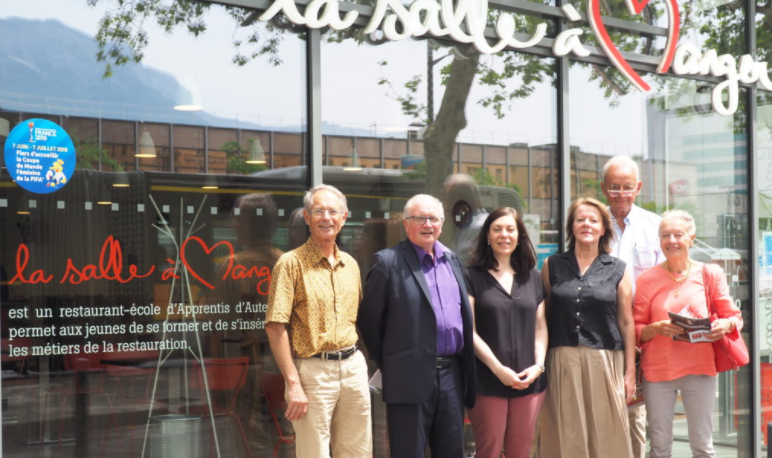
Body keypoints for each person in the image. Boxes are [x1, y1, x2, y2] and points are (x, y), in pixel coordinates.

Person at [358, 194, 476, 458]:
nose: (427, 224)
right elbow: (369, 322)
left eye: (433, 218)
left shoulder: (453, 260)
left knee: (452, 452)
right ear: (406, 224)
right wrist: (394, 361)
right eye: (419, 218)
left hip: (452, 377)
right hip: (407, 377)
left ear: (442, 224)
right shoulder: (387, 262)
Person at [265, 184, 372, 458]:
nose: (327, 217)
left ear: (344, 217)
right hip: (312, 372)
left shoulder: (351, 264)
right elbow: (276, 326)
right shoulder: (290, 263)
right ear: (307, 217)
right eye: (319, 211)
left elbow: (358, 320)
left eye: (333, 211)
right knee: (314, 453)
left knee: (357, 452)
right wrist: (293, 383)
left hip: (352, 368)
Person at [633, 210, 742, 458]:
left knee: (703, 447)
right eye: (665, 235)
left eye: (678, 235)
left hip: (700, 369)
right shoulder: (647, 279)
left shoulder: (710, 274)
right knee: (659, 447)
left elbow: (735, 317)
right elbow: (636, 330)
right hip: (658, 372)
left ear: (691, 238)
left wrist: (724, 326)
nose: (671, 240)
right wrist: (654, 328)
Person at [539, 197, 636, 458]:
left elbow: (626, 322)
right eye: (580, 219)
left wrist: (629, 373)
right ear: (571, 227)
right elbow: (543, 319)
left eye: (593, 220)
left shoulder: (619, 269)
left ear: (603, 228)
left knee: (606, 433)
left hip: (605, 360)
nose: (587, 225)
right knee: (565, 431)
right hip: (562, 360)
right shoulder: (552, 265)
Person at [463, 207, 547, 458]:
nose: (504, 235)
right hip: (487, 381)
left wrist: (539, 366)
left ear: (520, 235)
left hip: (529, 380)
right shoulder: (471, 276)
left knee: (520, 451)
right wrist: (498, 369)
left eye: (511, 229)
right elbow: (470, 330)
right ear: (487, 236)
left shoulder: (532, 276)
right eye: (497, 229)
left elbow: (541, 327)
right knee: (488, 449)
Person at [601, 155, 664, 458]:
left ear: (638, 188)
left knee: (634, 414)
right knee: (602, 412)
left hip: (641, 335)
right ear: (603, 188)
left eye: (627, 187)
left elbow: (665, 282)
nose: (621, 194)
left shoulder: (654, 226)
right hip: (600, 334)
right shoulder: (591, 224)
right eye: (614, 187)